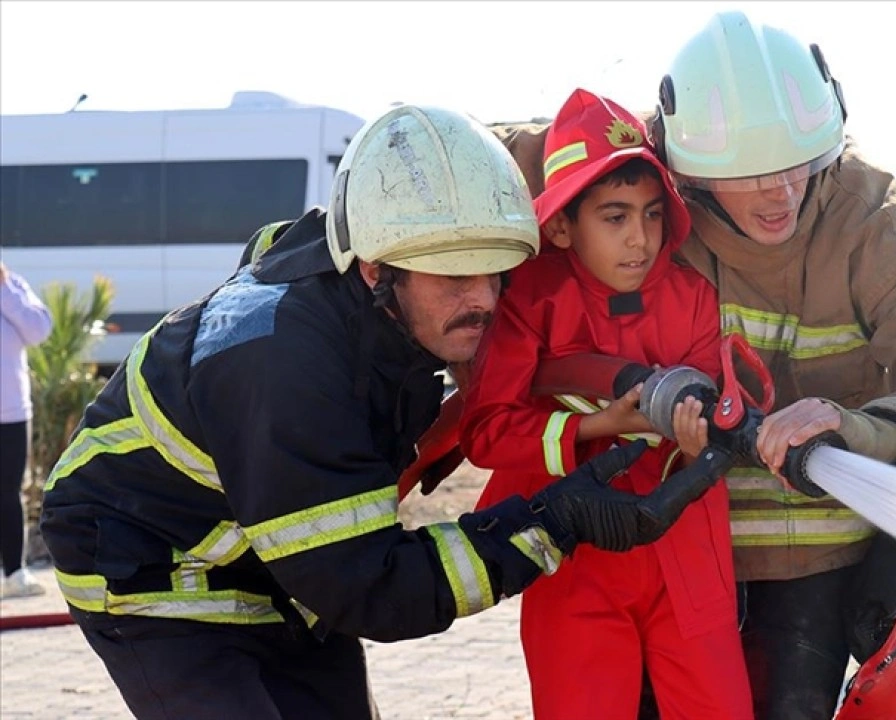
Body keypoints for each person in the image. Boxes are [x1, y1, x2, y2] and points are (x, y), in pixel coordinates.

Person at [36, 104, 724, 720]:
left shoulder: (376, 284)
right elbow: (375, 590)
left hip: (285, 569)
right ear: (375, 269)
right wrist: (552, 523)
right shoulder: (285, 365)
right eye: (456, 276)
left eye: (496, 273)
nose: (485, 301)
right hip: (157, 574)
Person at [496, 14, 896, 717]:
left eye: (797, 163)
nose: (781, 192)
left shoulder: (871, 225)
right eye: (752, 173)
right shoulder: (644, 174)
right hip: (662, 550)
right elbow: (492, 160)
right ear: (689, 169)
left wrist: (862, 432)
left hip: (814, 566)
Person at [461, 89, 751, 719]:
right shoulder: (530, 299)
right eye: (614, 217)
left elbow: (708, 399)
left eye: (651, 215)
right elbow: (486, 432)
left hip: (687, 555)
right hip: (573, 554)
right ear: (562, 223)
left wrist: (707, 435)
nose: (640, 241)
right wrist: (600, 423)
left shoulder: (692, 294)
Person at [1, 262, 53, 598]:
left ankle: (15, 574)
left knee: (8, 492)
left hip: (11, 411)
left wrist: (4, 291)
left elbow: (38, 330)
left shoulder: (14, 286)